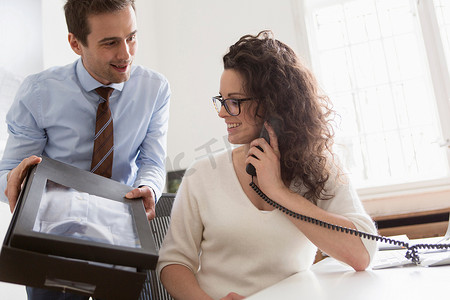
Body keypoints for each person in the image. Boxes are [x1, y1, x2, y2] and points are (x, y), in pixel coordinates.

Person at [156, 30, 378, 300]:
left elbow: (362, 255)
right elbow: (172, 263)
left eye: (235, 101)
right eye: (222, 100)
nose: (223, 112)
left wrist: (280, 194)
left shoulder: (319, 167)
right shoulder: (201, 175)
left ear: (273, 104)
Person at [0, 0, 170, 299]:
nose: (126, 53)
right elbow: (7, 173)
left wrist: (149, 187)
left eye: (131, 36)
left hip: (120, 238)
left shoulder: (154, 89)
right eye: (110, 43)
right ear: (75, 43)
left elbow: (152, 160)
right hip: (53, 243)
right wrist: (18, 180)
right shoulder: (38, 93)